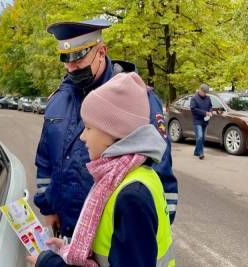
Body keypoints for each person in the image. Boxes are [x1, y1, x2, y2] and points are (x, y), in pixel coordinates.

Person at [34, 19, 178, 239]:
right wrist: (48, 208)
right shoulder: (58, 100)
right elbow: (45, 161)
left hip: (114, 238)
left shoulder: (137, 99)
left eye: (77, 57)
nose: (70, 67)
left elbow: (160, 172)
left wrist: (148, 235)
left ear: (101, 52)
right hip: (68, 231)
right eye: (65, 59)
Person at [28, 72, 174, 267]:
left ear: (112, 131)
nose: (82, 137)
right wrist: (67, 249)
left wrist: (49, 263)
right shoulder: (132, 175)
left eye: (88, 128)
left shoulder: (131, 196)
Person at [190, 83, 212, 159]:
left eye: (206, 92)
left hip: (205, 121)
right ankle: (201, 153)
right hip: (197, 121)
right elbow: (193, 109)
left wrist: (210, 112)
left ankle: (196, 151)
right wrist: (205, 113)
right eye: (204, 92)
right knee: (199, 136)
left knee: (203, 138)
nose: (205, 94)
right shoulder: (194, 98)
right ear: (200, 90)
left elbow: (210, 106)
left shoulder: (208, 98)